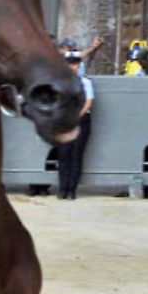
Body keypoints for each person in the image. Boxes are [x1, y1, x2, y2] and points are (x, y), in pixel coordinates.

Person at [56, 52, 95, 200]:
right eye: (69, 64)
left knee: (76, 155)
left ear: (78, 66)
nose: (72, 67)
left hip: (80, 119)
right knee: (64, 155)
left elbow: (89, 102)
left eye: (74, 64)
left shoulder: (85, 82)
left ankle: (71, 189)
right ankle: (63, 188)